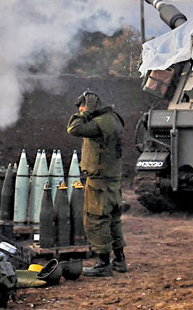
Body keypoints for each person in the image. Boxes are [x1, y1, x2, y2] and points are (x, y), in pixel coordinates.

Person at [67, 90, 127, 276]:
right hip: (112, 180)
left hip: (100, 181)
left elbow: (73, 129)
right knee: (113, 220)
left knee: (96, 219)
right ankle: (119, 260)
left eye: (82, 108)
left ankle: (103, 264)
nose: (81, 112)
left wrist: (85, 113)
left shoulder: (99, 124)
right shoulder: (112, 118)